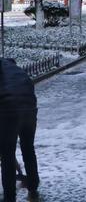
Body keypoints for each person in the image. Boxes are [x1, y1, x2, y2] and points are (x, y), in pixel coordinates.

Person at [0, 58, 40, 202]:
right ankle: (33, 184)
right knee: (28, 147)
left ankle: (9, 197)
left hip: (9, 110)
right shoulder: (18, 71)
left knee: (7, 154)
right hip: (30, 109)